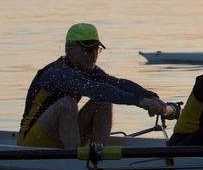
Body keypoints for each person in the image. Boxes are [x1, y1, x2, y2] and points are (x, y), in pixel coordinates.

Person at [18, 23, 166, 148]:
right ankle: (74, 161)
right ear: (69, 48)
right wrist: (139, 102)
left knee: (103, 101)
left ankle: (99, 154)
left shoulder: (88, 69)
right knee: (68, 104)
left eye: (96, 49)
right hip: (32, 141)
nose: (93, 55)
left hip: (63, 135)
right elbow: (95, 89)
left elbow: (117, 83)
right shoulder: (59, 73)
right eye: (87, 49)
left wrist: (151, 97)